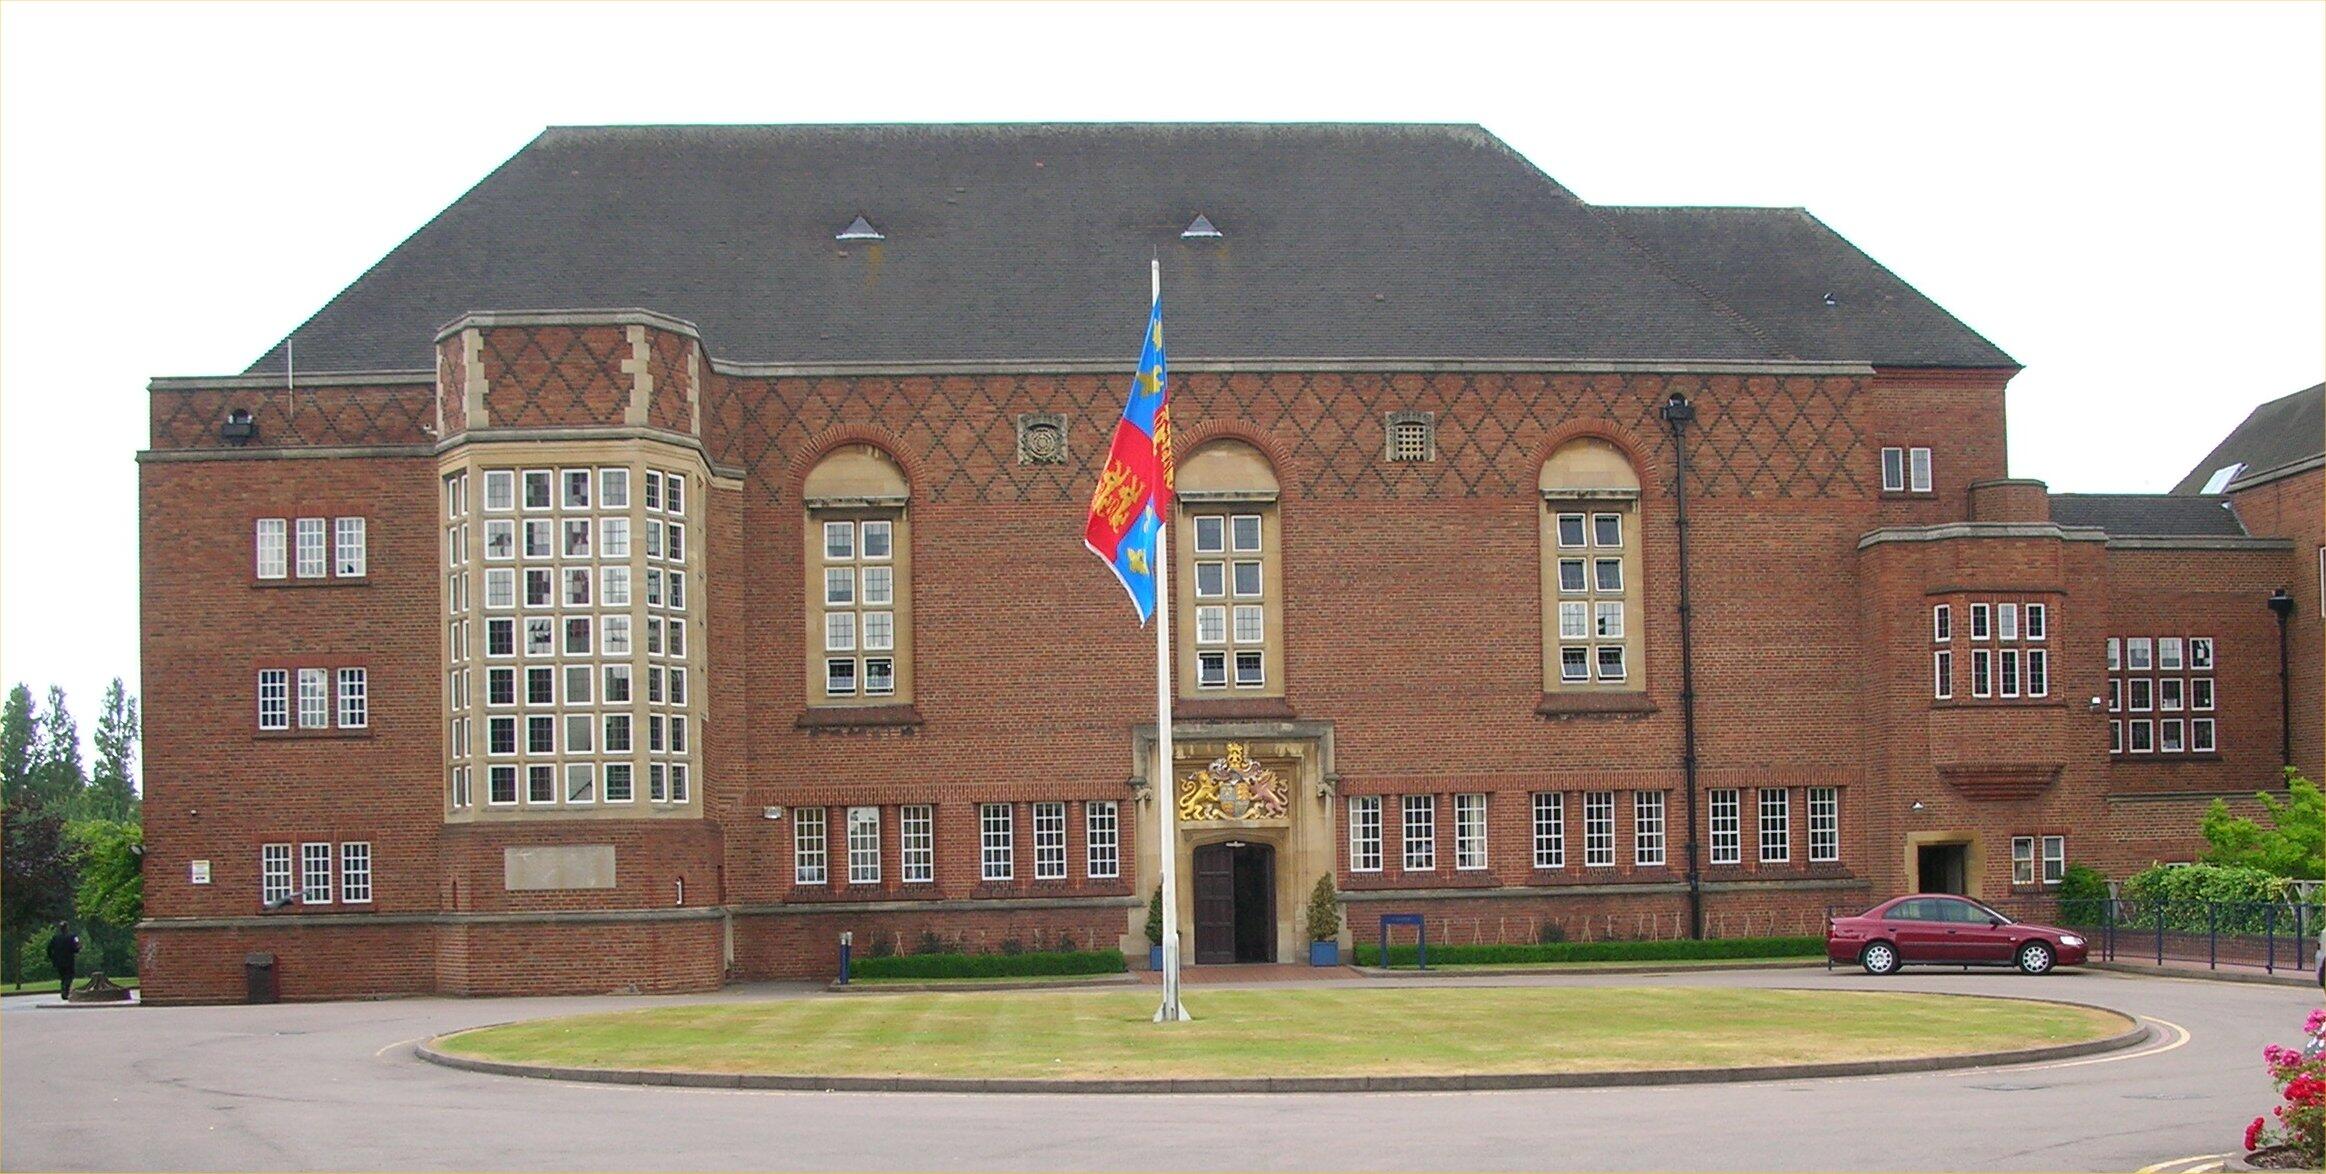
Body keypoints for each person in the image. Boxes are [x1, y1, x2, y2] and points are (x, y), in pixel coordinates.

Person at [45, 921, 80, 1000]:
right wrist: (76, 949)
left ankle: (64, 990)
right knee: (69, 976)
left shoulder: (55, 937)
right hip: (69, 960)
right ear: (67, 927)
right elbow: (77, 947)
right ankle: (65, 990)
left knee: (63, 977)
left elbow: (49, 948)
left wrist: (52, 958)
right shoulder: (73, 936)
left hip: (58, 961)